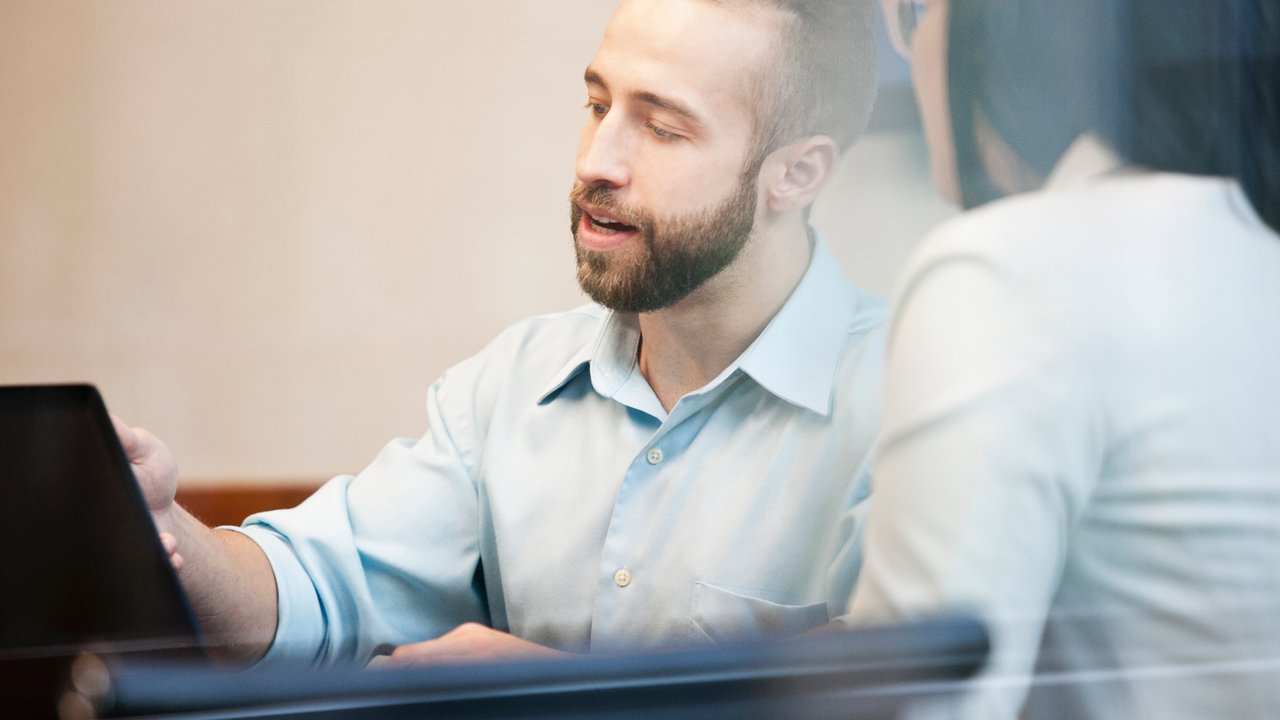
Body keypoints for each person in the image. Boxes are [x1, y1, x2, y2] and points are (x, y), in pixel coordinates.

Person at [117, 0, 885, 667]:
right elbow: (318, 591)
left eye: (661, 127)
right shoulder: (512, 383)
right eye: (596, 105)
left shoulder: (911, 399)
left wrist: (552, 697)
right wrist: (160, 527)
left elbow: (907, 697)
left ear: (797, 174)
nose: (597, 161)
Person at [847, 0, 1280, 717]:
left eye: (916, 10)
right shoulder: (1247, 250)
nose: (915, 43)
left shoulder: (1011, 272)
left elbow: (913, 706)